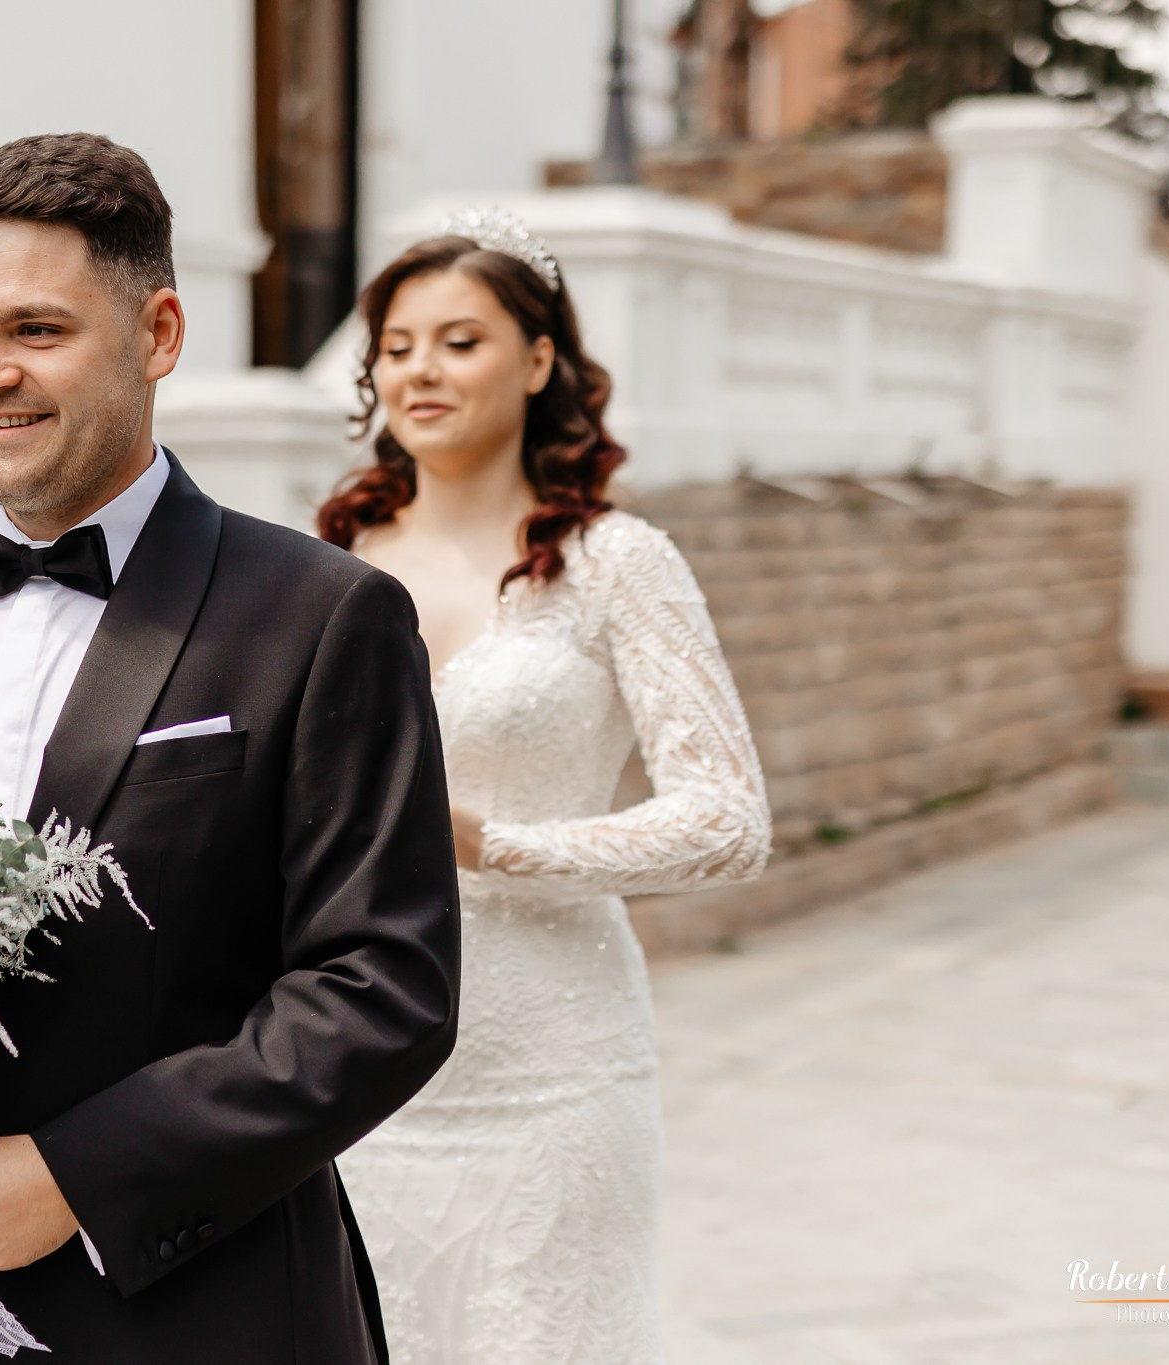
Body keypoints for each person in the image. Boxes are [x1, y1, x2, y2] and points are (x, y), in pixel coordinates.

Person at [0, 132, 462, 1364]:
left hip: (181, 1308)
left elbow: (381, 989)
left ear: (156, 336)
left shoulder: (320, 616)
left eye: (35, 331)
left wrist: (76, 1175)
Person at [327, 211, 773, 1363]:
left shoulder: (618, 564)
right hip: (352, 1071)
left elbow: (728, 820)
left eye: (458, 340)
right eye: (395, 343)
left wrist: (497, 846)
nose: (418, 368)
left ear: (537, 361)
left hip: (553, 1078)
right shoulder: (321, 564)